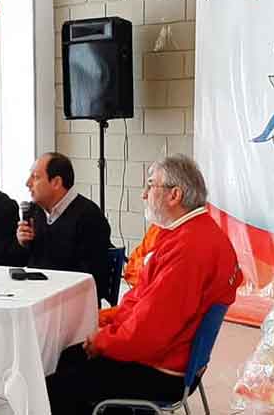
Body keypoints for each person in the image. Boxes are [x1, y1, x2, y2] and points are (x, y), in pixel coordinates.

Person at [46, 155, 241, 414]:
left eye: (151, 185)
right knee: (69, 356)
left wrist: (103, 341)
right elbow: (142, 301)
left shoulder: (188, 248)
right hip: (173, 355)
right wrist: (105, 321)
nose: (143, 194)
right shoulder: (190, 233)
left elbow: (149, 332)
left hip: (164, 371)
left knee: (54, 384)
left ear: (175, 195)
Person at [11, 152, 111, 299]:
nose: (28, 183)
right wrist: (22, 244)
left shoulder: (89, 216)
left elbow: (93, 277)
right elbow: (22, 264)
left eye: (36, 177)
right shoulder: (34, 212)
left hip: (71, 301)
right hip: (35, 295)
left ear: (56, 182)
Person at [98, 223, 162, 327]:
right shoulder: (157, 228)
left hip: (149, 312)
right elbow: (130, 270)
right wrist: (146, 264)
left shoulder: (183, 239)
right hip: (135, 304)